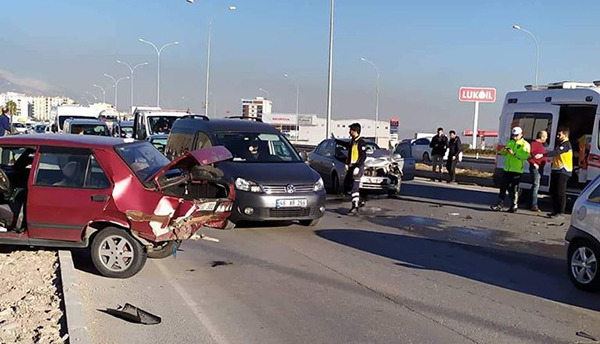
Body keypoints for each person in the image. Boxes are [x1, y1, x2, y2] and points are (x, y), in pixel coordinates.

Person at [535, 128, 572, 219]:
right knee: (553, 191)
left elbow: (557, 152)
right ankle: (555, 211)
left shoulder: (566, 144)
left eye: (560, 135)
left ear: (565, 135)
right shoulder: (560, 144)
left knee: (560, 192)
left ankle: (560, 212)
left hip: (564, 170)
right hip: (556, 169)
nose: (557, 136)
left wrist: (543, 155)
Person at [491, 126, 531, 213]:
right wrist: (505, 149)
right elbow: (502, 153)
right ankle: (499, 204)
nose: (514, 137)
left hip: (516, 170)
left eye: (516, 135)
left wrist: (514, 153)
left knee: (514, 189)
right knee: (503, 187)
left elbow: (525, 156)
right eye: (513, 135)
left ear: (521, 134)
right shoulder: (510, 142)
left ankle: (514, 205)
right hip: (507, 169)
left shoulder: (525, 144)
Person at [334, 123, 367, 215]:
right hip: (351, 166)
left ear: (355, 131)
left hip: (357, 167)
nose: (349, 132)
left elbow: (363, 156)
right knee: (346, 186)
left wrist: (357, 166)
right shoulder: (353, 141)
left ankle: (355, 207)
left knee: (354, 188)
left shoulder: (360, 142)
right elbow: (346, 145)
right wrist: (336, 141)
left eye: (351, 130)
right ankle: (359, 201)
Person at [527, 130, 548, 212]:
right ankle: (534, 205)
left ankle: (530, 201)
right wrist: (533, 163)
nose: (546, 138)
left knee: (535, 185)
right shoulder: (534, 144)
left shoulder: (541, 145)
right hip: (536, 168)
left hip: (540, 167)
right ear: (542, 137)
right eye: (545, 136)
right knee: (536, 185)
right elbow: (528, 155)